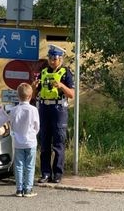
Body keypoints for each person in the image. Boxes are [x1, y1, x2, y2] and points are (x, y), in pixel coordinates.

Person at [32, 44, 74, 184]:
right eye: (49, 58)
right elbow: (33, 95)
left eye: (54, 58)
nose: (51, 61)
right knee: (44, 143)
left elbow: (72, 94)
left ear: (60, 59)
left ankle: (57, 173)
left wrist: (61, 86)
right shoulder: (43, 72)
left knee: (58, 143)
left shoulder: (66, 73)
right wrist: (34, 86)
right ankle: (45, 173)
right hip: (44, 109)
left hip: (58, 109)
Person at [9, 83, 40, 197]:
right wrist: (32, 134)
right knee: (30, 166)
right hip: (31, 141)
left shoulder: (13, 110)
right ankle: (28, 189)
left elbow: (11, 125)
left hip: (18, 142)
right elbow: (37, 127)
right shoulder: (33, 110)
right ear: (30, 96)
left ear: (18, 96)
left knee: (18, 165)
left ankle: (19, 189)